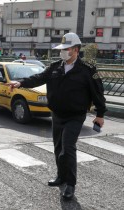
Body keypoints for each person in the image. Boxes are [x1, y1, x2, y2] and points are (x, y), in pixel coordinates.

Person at [8, 32, 107, 200]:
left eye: (66, 49)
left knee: (67, 148)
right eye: (62, 49)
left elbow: (98, 92)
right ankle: (61, 177)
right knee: (58, 148)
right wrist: (21, 83)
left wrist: (100, 114)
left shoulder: (87, 70)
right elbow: (39, 77)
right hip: (57, 114)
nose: (63, 52)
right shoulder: (56, 67)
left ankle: (70, 184)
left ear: (76, 50)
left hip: (75, 116)